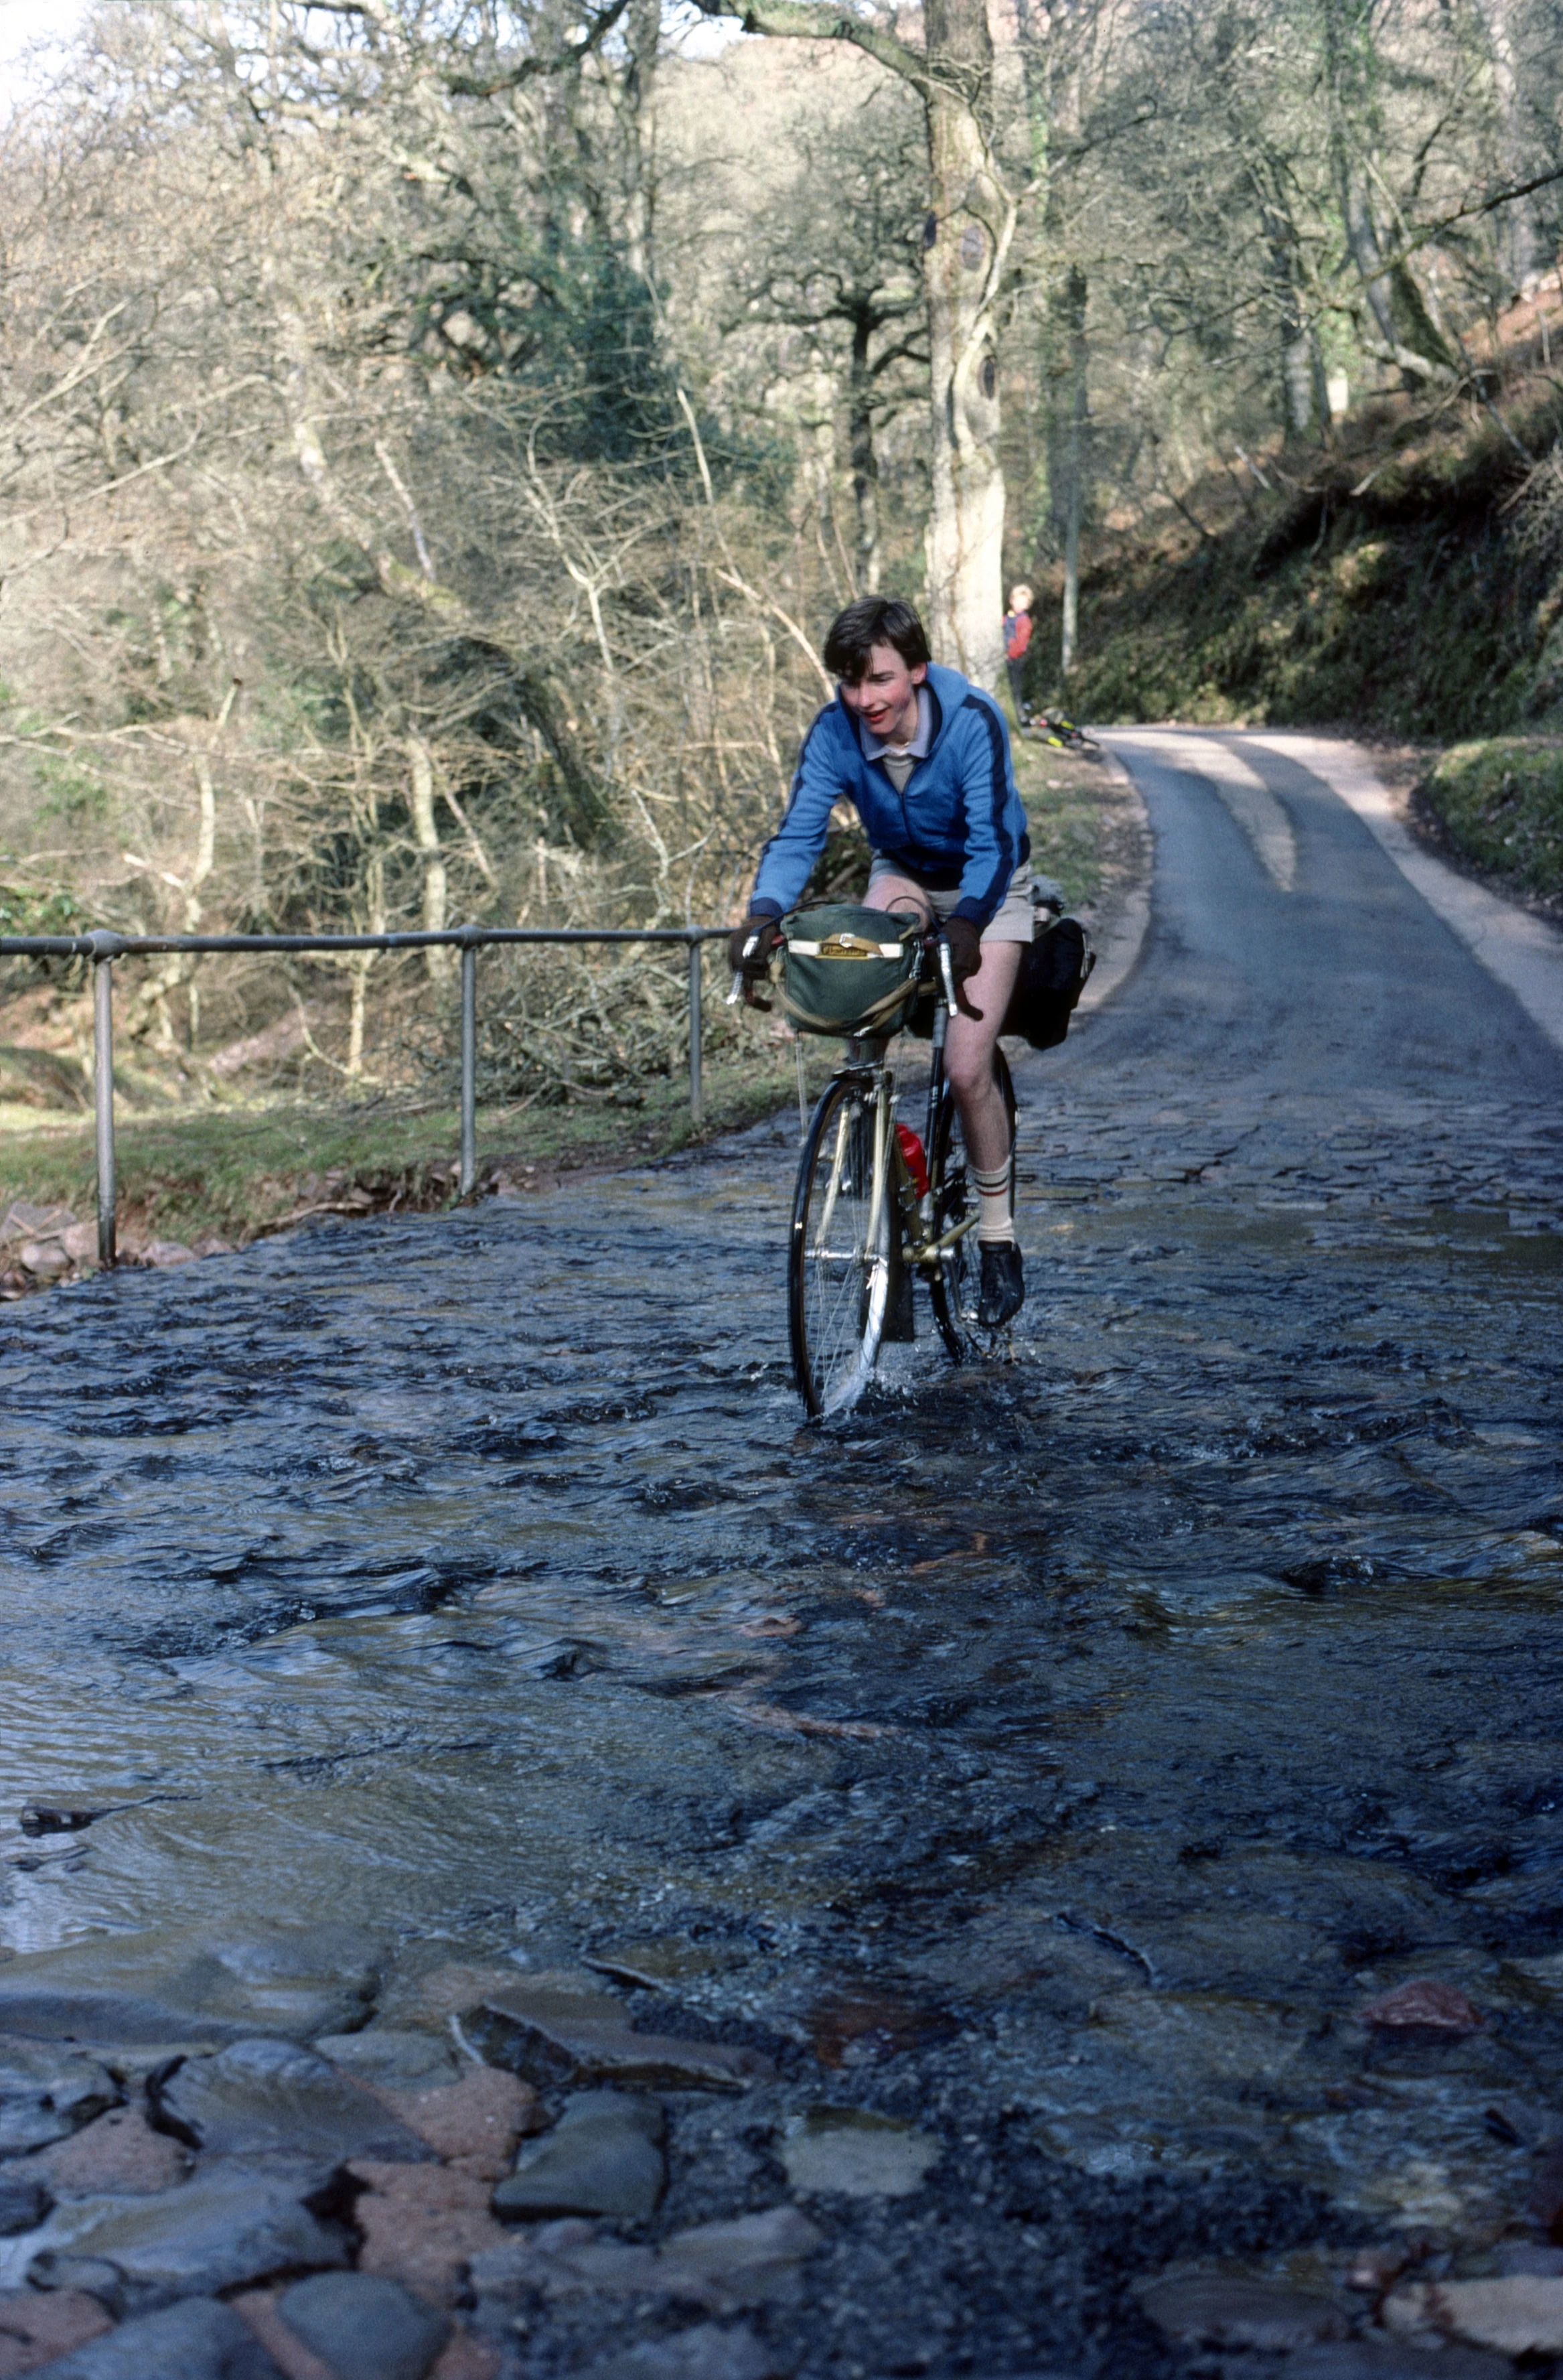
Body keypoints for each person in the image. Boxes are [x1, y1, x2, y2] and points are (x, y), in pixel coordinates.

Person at [727, 595, 1030, 1328]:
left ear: (917, 673)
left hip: (989, 881)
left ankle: (997, 1240)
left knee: (963, 1065)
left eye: (882, 680)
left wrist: (968, 923)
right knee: (861, 1002)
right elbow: (799, 834)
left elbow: (993, 839)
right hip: (901, 873)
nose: (866, 699)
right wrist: (762, 915)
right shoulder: (836, 730)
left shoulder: (971, 719)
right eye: (852, 683)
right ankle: (884, 1220)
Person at [1002, 583, 1034, 722]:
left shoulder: (1024, 621)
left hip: (1016, 659)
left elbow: (1021, 644)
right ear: (1011, 600)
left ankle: (1020, 717)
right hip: (1005, 657)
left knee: (1015, 688)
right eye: (1017, 600)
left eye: (1024, 602)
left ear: (1027, 605)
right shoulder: (1006, 618)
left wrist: (1009, 655)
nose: (1020, 604)